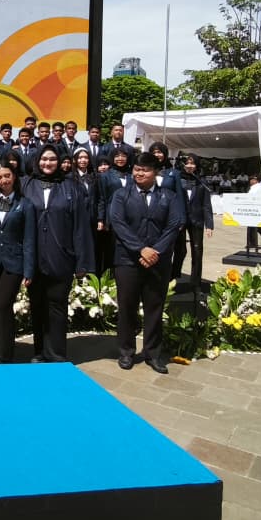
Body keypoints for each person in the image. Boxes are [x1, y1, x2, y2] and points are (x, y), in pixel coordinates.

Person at [109, 154, 185, 374]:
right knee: (127, 307)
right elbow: (118, 223)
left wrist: (156, 251)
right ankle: (126, 351)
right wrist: (141, 249)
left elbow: (173, 226)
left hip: (158, 262)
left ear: (156, 173)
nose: (139, 173)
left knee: (154, 308)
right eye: (137, 169)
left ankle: (153, 353)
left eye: (145, 170)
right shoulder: (121, 195)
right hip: (127, 261)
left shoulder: (169, 197)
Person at [21, 144, 94, 363]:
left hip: (61, 256)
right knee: (37, 306)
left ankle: (57, 353)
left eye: (52, 159)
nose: (48, 163)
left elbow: (81, 226)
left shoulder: (71, 187)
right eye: (44, 159)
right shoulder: (27, 185)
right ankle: (39, 351)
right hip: (33, 258)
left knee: (57, 306)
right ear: (37, 161)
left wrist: (82, 263)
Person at [0, 164, 35, 363]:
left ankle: (5, 354)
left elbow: (29, 238)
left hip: (14, 263)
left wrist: (29, 269)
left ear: (14, 177)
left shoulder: (25, 204)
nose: (4, 180)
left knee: (4, 304)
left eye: (7, 176)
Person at [173, 154, 215, 288]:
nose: (190, 166)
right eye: (187, 163)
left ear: (197, 165)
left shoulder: (202, 182)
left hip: (197, 220)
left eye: (192, 163)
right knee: (180, 250)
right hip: (180, 220)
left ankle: (196, 281)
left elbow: (206, 204)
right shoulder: (177, 179)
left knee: (197, 251)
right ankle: (174, 276)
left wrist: (209, 225)